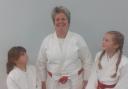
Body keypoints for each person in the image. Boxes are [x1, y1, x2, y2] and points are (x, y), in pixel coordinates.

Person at [36, 6, 92, 89]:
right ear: (54, 22)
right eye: (57, 19)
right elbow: (41, 62)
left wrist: (86, 79)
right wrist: (43, 81)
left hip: (74, 82)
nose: (60, 21)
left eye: (63, 19)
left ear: (68, 21)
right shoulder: (47, 41)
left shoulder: (78, 39)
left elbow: (87, 60)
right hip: (53, 83)